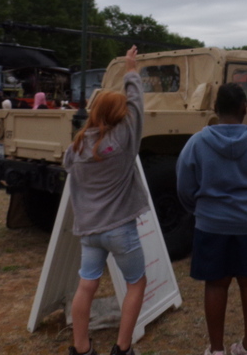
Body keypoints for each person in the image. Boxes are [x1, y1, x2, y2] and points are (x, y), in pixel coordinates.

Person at [176, 83, 247, 355]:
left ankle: (216, 349)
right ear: (244, 107)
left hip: (211, 224)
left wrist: (201, 210)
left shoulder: (196, 143)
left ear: (215, 109)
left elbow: (184, 187)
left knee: (215, 284)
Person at [63, 46, 147, 355]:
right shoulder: (124, 140)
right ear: (120, 116)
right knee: (136, 283)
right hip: (121, 229)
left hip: (89, 231)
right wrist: (131, 69)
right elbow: (137, 104)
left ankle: (81, 348)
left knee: (87, 286)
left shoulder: (75, 149)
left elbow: (68, 164)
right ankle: (122, 349)